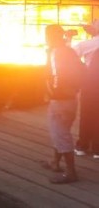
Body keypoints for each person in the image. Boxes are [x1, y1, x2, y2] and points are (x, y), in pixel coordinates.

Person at [42, 24, 83, 184]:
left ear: (50, 37)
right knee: (60, 131)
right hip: (71, 98)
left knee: (60, 134)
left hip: (60, 100)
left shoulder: (56, 53)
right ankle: (55, 162)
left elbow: (56, 75)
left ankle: (71, 173)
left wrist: (53, 93)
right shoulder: (69, 51)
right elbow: (81, 69)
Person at [68, 20, 99, 158]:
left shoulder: (89, 44)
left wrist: (69, 38)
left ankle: (82, 146)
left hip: (91, 83)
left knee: (87, 113)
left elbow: (69, 54)